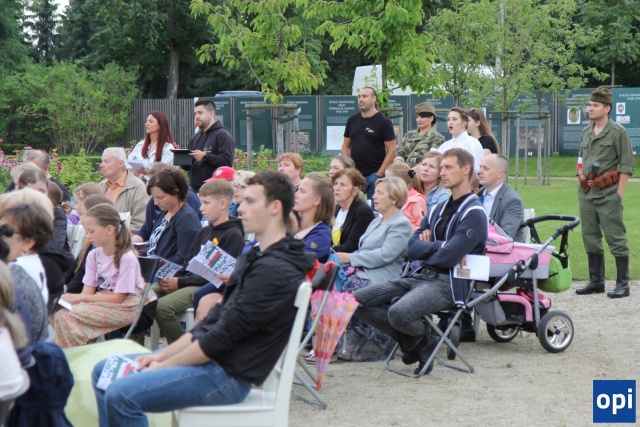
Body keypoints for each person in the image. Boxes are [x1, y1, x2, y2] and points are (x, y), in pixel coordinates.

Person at [91, 171, 315, 426]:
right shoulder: (257, 256)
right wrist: (159, 357)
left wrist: (162, 364)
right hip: (215, 361)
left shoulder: (274, 269)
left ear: (275, 207)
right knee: (103, 371)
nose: (241, 208)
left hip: (227, 374)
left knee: (121, 394)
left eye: (250, 201)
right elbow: (211, 325)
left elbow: (219, 339)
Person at [353, 148, 488, 375]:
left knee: (398, 312)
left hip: (449, 283)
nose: (442, 173)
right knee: (356, 300)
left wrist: (430, 247)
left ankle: (420, 341)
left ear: (466, 169)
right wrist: (439, 246)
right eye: (441, 168)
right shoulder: (438, 208)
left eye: (448, 167)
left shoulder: (474, 213)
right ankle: (419, 342)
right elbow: (412, 248)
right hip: (421, 275)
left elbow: (449, 257)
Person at [154, 179, 244, 344]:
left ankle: (182, 350)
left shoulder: (233, 235)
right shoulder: (204, 232)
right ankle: (135, 347)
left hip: (204, 286)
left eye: (206, 203)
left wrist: (180, 282)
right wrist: (172, 277)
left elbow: (217, 276)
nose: (201, 208)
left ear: (223, 204)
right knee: (144, 296)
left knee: (163, 307)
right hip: (187, 280)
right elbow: (188, 261)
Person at [334, 176, 412, 361]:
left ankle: (343, 342)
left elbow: (385, 255)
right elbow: (364, 249)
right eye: (375, 192)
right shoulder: (377, 221)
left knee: (345, 287)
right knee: (331, 281)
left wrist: (351, 258)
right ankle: (329, 340)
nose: (374, 196)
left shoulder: (401, 224)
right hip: (362, 271)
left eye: (380, 193)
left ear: (394, 198)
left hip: (381, 278)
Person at [50, 203, 145, 348]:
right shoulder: (93, 255)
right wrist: (68, 300)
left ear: (109, 229)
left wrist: (78, 298)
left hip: (124, 308)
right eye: (86, 232)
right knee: (55, 312)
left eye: (91, 231)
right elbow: (87, 292)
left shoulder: (127, 258)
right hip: (100, 302)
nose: (88, 236)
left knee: (65, 318)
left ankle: (75, 355)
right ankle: (75, 352)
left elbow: (118, 299)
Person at [576, 88, 634, 298]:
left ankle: (623, 284)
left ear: (607, 108)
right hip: (587, 193)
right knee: (589, 236)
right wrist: (580, 174)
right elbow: (580, 159)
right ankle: (596, 281)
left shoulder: (618, 132)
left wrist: (618, 195)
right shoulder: (586, 132)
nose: (590, 108)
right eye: (590, 105)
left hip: (608, 193)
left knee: (615, 237)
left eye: (595, 105)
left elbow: (626, 166)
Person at [132, 169, 201, 265]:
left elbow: (183, 259)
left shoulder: (187, 218)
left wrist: (152, 266)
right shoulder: (165, 212)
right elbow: (154, 252)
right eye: (153, 197)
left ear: (176, 192)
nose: (156, 202)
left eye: (160, 198)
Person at [341, 87, 397, 199]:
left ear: (374, 99)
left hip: (374, 174)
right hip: (355, 174)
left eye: (364, 96)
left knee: (375, 207)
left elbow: (392, 150)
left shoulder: (384, 122)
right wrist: (349, 170)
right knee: (352, 206)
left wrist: (379, 174)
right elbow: (345, 146)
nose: (360, 99)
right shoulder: (352, 120)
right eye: (359, 97)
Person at [65, 195, 115, 294]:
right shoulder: (91, 248)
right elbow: (74, 272)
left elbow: (80, 282)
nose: (81, 219)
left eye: (84, 214)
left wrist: (66, 294)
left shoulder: (121, 256)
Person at [185, 99, 235, 192]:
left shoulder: (222, 135)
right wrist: (182, 158)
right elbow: (188, 166)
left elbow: (227, 163)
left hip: (213, 192)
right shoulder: (195, 137)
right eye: (195, 113)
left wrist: (205, 156)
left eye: (200, 113)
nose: (196, 116)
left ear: (211, 114)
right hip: (194, 191)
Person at [98, 147, 150, 233]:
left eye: (106, 161)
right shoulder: (101, 186)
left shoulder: (137, 187)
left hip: (124, 238)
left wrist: (115, 237)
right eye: (102, 161)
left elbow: (139, 224)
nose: (101, 165)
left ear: (121, 164)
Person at [478, 154, 525, 242]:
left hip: (501, 249)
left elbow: (505, 236)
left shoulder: (512, 201)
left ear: (500, 173)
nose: (480, 171)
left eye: (486, 168)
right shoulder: (478, 194)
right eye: (480, 167)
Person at [331, 168, 375, 253]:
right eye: (335, 184)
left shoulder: (363, 212)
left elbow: (351, 246)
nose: (336, 188)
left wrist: (326, 251)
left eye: (343, 185)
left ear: (354, 191)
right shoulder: (336, 209)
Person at [293, 173, 333, 263]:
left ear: (317, 200)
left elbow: (294, 262)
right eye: (297, 189)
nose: (296, 195)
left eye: (302, 191)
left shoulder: (321, 235)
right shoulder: (287, 221)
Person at [5, 149, 71, 202]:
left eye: (32, 169)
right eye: (25, 167)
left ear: (45, 168)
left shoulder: (58, 189)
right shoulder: (14, 184)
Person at [127, 110, 176, 182]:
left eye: (151, 122)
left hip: (157, 185)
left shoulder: (167, 148)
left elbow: (167, 171)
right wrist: (134, 172)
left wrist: (148, 172)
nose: (147, 124)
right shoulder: (140, 145)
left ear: (160, 125)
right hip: (138, 185)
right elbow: (129, 163)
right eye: (146, 121)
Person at [395, 102, 445, 168]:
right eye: (417, 117)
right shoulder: (409, 134)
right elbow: (401, 153)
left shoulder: (437, 138)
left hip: (422, 171)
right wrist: (398, 162)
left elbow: (433, 160)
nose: (419, 120)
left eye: (422, 117)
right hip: (404, 170)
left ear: (431, 118)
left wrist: (412, 171)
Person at [436, 107, 484, 172]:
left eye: (454, 119)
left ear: (464, 123)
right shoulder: (444, 145)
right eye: (448, 120)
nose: (450, 122)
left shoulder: (472, 142)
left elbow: (475, 168)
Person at [385, 162, 426, 231]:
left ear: (402, 183)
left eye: (389, 181)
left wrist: (401, 226)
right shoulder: (392, 198)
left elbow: (422, 227)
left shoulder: (417, 200)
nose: (385, 184)